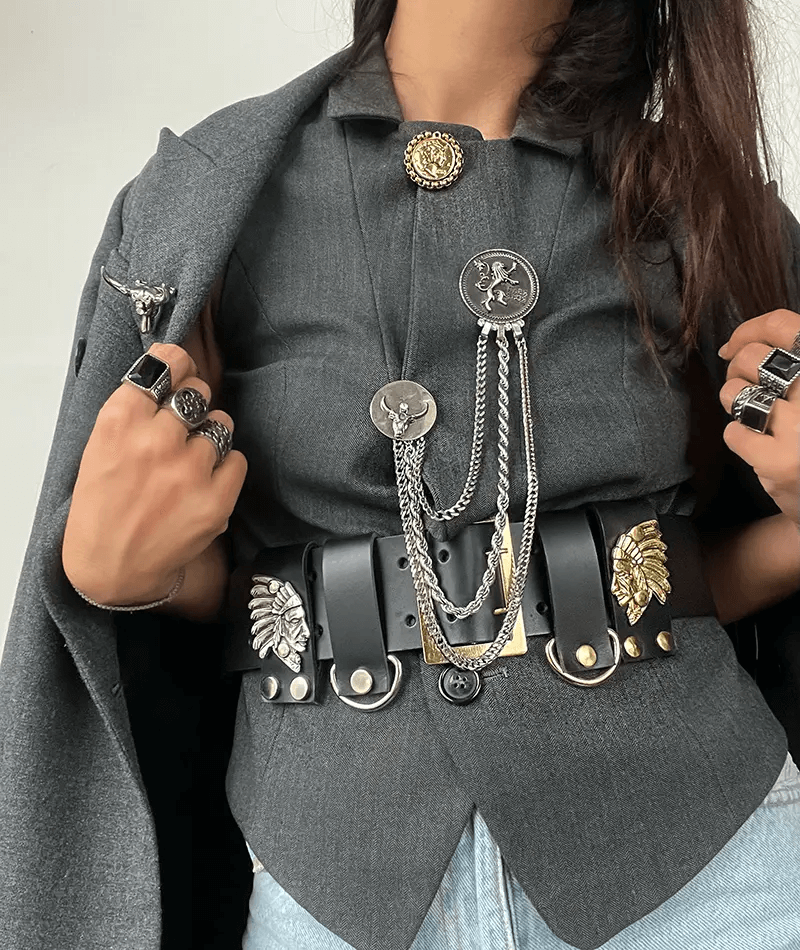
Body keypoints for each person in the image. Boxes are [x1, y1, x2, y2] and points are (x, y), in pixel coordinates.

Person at [2, 1, 800, 949]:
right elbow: (220, 586)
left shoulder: (697, 193)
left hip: (703, 866)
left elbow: (686, 569)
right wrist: (116, 578)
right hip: (332, 879)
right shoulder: (210, 197)